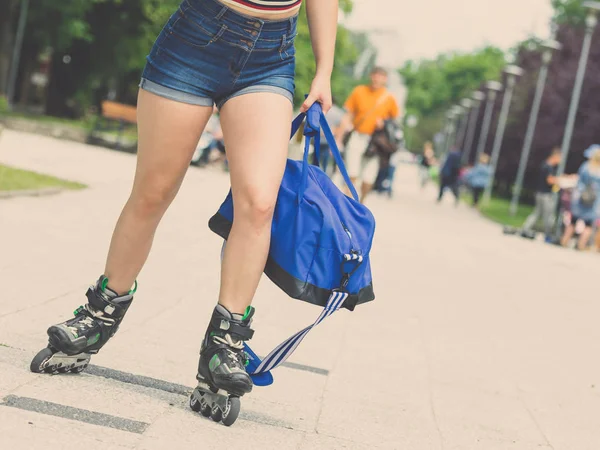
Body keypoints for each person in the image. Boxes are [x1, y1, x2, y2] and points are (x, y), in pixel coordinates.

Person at [32, 0, 337, 409]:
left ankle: (224, 346)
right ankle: (99, 315)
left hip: (271, 55)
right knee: (154, 191)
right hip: (195, 37)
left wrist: (324, 70)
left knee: (261, 203)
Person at [335, 67, 400, 203]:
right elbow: (348, 115)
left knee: (368, 178)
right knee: (352, 172)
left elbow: (395, 122)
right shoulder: (359, 91)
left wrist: (384, 123)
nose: (377, 78)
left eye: (381, 76)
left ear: (385, 79)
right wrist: (338, 137)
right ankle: (348, 205)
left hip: (376, 142)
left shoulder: (389, 98)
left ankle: (361, 203)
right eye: (375, 75)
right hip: (358, 136)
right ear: (371, 76)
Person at [560, 148, 600, 250]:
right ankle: (581, 245)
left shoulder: (586, 166)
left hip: (580, 198)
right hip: (594, 201)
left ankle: (564, 241)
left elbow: (579, 182)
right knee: (589, 225)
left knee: (573, 221)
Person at [521, 147, 561, 241]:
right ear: (555, 156)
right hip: (545, 194)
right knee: (548, 216)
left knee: (537, 213)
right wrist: (559, 180)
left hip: (540, 193)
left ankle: (525, 228)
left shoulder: (544, 165)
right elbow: (549, 180)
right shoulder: (548, 167)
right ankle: (548, 235)